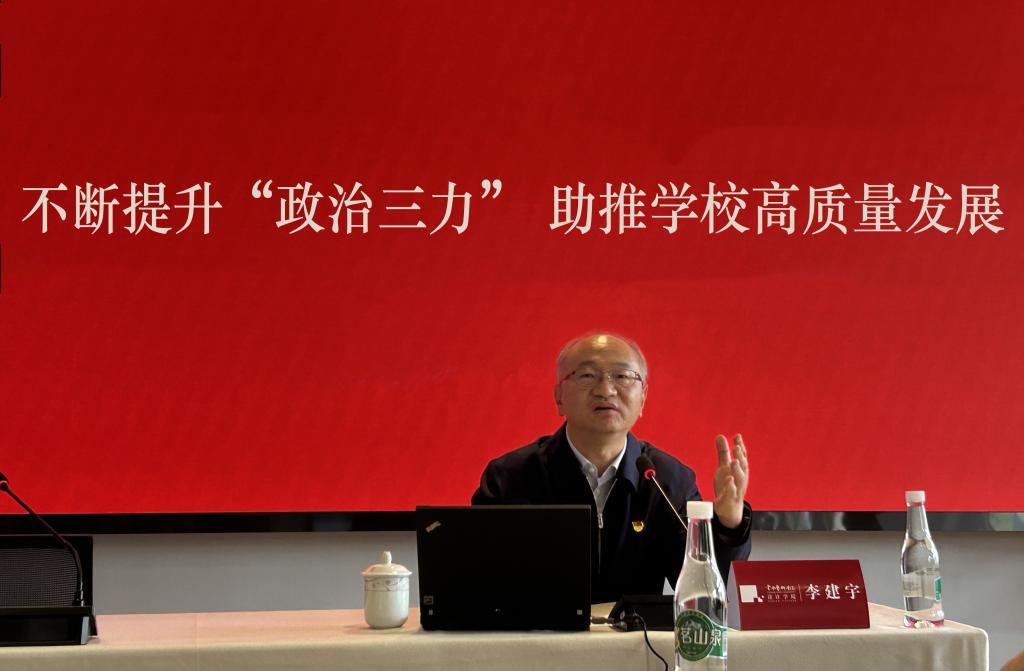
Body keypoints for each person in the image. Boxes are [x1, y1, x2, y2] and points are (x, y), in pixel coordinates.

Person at [471, 333, 752, 604]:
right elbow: (479, 581)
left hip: (636, 636)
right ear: (559, 397)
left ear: (642, 399)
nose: (606, 390)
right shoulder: (510, 477)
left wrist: (729, 523)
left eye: (622, 376)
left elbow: (705, 588)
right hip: (539, 634)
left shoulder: (667, 480)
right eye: (587, 375)